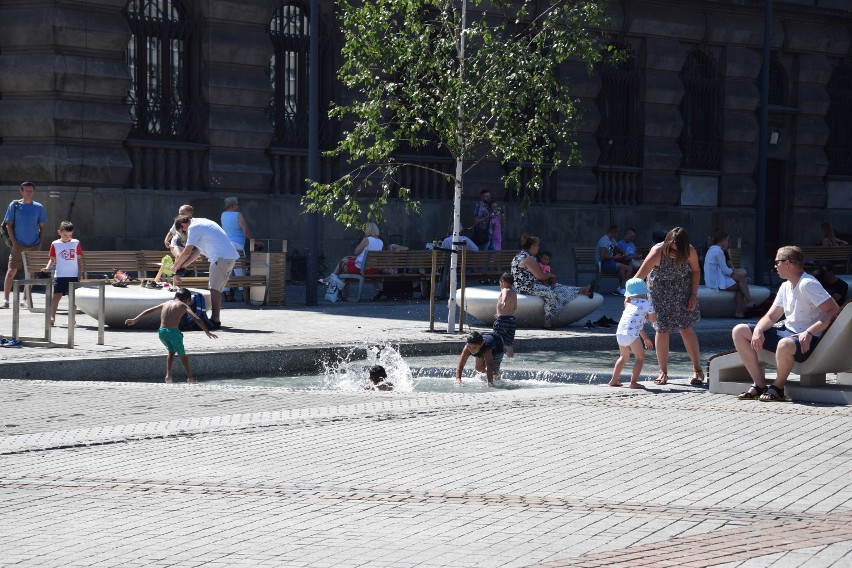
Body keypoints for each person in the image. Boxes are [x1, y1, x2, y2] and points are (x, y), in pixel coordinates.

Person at [732, 246, 840, 402]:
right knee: (739, 330)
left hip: (807, 339)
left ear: (788, 263)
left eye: (777, 262)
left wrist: (810, 332)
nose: (775, 266)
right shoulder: (785, 286)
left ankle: (777, 387)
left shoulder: (808, 284)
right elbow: (771, 316)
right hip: (787, 332)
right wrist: (758, 331)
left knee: (784, 345)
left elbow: (833, 310)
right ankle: (760, 385)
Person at [635, 226, 703, 386]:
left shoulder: (690, 252)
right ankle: (663, 372)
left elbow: (696, 271)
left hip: (682, 288)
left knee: (686, 327)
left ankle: (697, 369)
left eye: (676, 251)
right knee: (662, 328)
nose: (673, 253)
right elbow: (638, 277)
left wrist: (693, 295)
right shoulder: (657, 252)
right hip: (659, 289)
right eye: (670, 250)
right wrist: (630, 297)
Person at [125, 287, 217, 383]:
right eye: (189, 301)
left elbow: (148, 311)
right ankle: (190, 378)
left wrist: (135, 319)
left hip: (161, 332)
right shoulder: (183, 305)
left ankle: (168, 376)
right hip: (173, 333)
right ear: (186, 300)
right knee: (183, 356)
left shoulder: (166, 303)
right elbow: (196, 318)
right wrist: (207, 331)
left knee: (171, 352)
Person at [511, 234, 596, 329]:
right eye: (537, 245)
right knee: (551, 295)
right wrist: (551, 275)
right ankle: (547, 322)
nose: (538, 248)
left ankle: (583, 290)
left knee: (558, 286)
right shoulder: (529, 259)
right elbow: (540, 276)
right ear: (532, 246)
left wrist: (548, 278)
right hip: (526, 287)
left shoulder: (520, 256)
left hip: (526, 285)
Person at [171, 216, 239, 329]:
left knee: (214, 289)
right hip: (227, 257)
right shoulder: (202, 223)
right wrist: (182, 267)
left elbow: (187, 252)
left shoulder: (193, 227)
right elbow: (197, 252)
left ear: (184, 225)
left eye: (183, 231)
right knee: (216, 289)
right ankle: (215, 318)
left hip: (220, 258)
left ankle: (215, 320)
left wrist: (175, 267)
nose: (185, 233)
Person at [3, 181, 47, 308]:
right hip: (18, 244)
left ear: (34, 192)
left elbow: (43, 227)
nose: (28, 192)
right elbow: (8, 224)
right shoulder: (15, 205)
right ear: (21, 191)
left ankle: (25, 298)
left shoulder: (39, 207)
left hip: (34, 244)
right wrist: (14, 242)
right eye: (26, 190)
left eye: (31, 190)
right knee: (11, 271)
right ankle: (6, 300)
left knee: (31, 272)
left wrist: (40, 242)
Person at [609, 278, 656, 389]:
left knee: (623, 356)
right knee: (640, 357)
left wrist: (645, 338)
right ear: (644, 292)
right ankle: (633, 382)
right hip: (631, 335)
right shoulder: (647, 303)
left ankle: (614, 380)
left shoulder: (629, 305)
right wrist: (650, 315)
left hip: (620, 332)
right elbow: (653, 319)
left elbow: (635, 325)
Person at [321, 222, 383, 301]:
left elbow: (356, 252)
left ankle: (333, 278)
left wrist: (363, 240)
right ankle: (338, 286)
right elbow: (368, 256)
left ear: (368, 230)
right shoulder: (380, 242)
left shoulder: (367, 240)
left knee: (344, 265)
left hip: (362, 268)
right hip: (373, 269)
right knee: (346, 261)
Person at [41, 221, 83, 327]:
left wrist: (80, 272)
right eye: (65, 235)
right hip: (60, 275)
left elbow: (79, 260)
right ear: (59, 232)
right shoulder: (55, 244)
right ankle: (52, 317)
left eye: (70, 235)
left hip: (73, 275)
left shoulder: (76, 243)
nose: (67, 237)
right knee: (56, 296)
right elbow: (52, 259)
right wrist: (47, 267)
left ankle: (71, 319)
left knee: (72, 298)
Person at [704, 229, 753, 318]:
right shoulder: (718, 251)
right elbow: (724, 269)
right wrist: (735, 274)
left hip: (713, 279)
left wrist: (735, 274)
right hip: (716, 282)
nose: (728, 242)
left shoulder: (712, 250)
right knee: (741, 284)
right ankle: (747, 305)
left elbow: (723, 269)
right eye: (727, 240)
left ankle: (742, 309)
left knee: (741, 281)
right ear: (723, 240)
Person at [221, 197, 255, 302]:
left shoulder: (223, 215)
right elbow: (245, 230)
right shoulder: (238, 215)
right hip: (237, 244)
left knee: (227, 270)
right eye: (237, 204)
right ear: (232, 205)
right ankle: (244, 295)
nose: (238, 206)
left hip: (225, 244)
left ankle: (227, 294)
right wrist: (254, 240)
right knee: (240, 269)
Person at [596, 224, 632, 295]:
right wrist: (614, 257)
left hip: (610, 262)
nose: (617, 233)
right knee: (629, 268)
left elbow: (617, 247)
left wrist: (624, 253)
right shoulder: (604, 241)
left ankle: (621, 289)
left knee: (622, 269)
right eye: (616, 232)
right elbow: (602, 256)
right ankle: (622, 288)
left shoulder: (612, 239)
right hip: (603, 264)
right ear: (614, 232)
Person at [493, 272, 517, 358]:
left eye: (500, 282)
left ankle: (496, 358)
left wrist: (503, 301)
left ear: (503, 281)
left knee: (496, 340)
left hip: (503, 320)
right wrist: (499, 313)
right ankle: (510, 359)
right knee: (508, 342)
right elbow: (514, 307)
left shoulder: (505, 290)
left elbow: (505, 295)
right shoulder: (514, 293)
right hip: (511, 319)